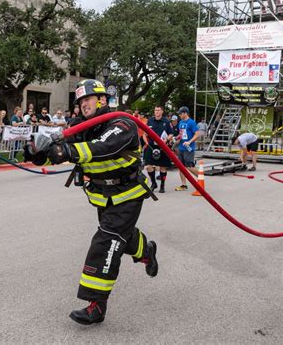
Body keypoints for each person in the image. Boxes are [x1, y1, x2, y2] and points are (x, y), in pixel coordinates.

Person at [23, 79, 158, 325]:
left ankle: (96, 305)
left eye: (88, 99)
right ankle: (146, 251)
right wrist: (38, 154)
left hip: (127, 195)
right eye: (80, 101)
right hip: (102, 196)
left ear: (102, 100)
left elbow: (102, 147)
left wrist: (66, 152)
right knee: (122, 238)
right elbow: (61, 151)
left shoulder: (122, 123)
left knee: (106, 242)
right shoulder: (79, 126)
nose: (83, 105)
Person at [143, 106, 173, 193]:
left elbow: (171, 134)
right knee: (148, 166)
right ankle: (153, 183)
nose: (156, 112)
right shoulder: (150, 120)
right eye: (155, 110)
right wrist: (146, 142)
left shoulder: (166, 122)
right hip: (152, 146)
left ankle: (162, 185)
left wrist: (166, 139)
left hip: (162, 146)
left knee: (163, 167)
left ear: (162, 111)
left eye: (158, 110)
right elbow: (145, 133)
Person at [175, 106, 200, 193]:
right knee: (181, 167)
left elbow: (197, 134)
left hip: (189, 148)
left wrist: (189, 142)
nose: (179, 115)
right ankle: (184, 185)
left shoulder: (191, 122)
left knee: (189, 166)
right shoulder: (181, 122)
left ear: (185, 113)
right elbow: (181, 134)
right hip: (181, 147)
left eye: (180, 113)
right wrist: (177, 138)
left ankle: (201, 178)